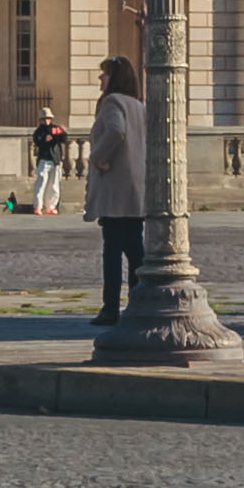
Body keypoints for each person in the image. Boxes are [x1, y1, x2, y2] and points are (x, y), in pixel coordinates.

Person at [83, 54, 147, 323]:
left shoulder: (112, 102)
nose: (101, 78)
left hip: (115, 187)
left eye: (105, 73)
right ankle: (137, 302)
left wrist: (98, 157)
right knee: (135, 251)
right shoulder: (138, 105)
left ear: (114, 78)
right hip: (135, 187)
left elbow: (116, 131)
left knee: (112, 250)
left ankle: (110, 307)